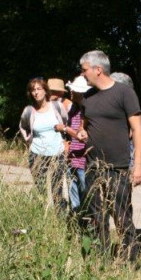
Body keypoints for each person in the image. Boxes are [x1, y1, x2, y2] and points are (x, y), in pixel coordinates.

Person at [77, 50, 141, 261]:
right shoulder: (87, 98)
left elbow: (138, 131)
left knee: (122, 216)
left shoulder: (124, 93)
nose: (82, 74)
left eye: (85, 69)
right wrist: (81, 132)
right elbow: (84, 126)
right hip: (93, 167)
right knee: (97, 217)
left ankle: (129, 262)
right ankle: (101, 260)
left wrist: (138, 165)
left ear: (98, 70)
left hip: (118, 167)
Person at [19, 77, 69, 208]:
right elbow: (23, 127)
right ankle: (43, 219)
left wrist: (64, 140)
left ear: (45, 91)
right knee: (40, 191)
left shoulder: (57, 107)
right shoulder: (29, 111)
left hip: (57, 154)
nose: (36, 92)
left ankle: (61, 221)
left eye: (38, 89)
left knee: (56, 190)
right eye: (33, 90)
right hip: (37, 155)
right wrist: (29, 141)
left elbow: (65, 123)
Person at [57, 75, 91, 213]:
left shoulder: (87, 111)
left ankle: (86, 220)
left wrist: (65, 129)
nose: (71, 92)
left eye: (74, 90)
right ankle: (76, 220)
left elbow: (84, 137)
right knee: (73, 192)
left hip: (84, 158)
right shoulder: (73, 109)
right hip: (72, 157)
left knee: (85, 192)